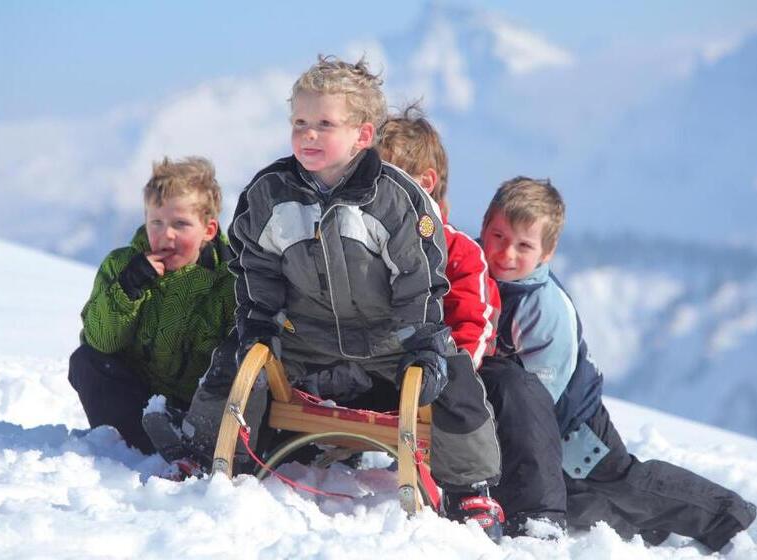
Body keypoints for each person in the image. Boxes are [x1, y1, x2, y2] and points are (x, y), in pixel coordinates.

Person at [157, 56, 504, 540]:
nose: (308, 135)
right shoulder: (270, 193)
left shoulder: (397, 200)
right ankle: (204, 453)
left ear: (363, 135)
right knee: (237, 362)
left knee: (455, 378)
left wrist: (422, 341)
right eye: (300, 123)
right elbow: (256, 265)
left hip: (389, 340)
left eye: (324, 124)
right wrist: (259, 324)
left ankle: (470, 487)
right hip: (307, 338)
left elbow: (418, 277)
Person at [478, 176, 757, 550]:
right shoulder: (477, 274)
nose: (506, 253)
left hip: (575, 429)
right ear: (483, 226)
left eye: (523, 245)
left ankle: (730, 517)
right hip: (539, 433)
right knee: (582, 502)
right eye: (498, 236)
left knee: (628, 486)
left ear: (548, 251)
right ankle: (647, 529)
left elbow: (539, 400)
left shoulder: (543, 307)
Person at [376, 105, 508, 533]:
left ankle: (470, 486)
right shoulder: (365, 247)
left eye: (385, 182)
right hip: (373, 365)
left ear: (424, 184)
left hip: (433, 374)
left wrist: (457, 360)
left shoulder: (457, 250)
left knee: (457, 373)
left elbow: (475, 320)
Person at [68, 156, 235, 454]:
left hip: (197, 406)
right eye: (156, 222)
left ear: (208, 231)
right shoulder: (121, 265)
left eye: (180, 224)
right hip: (137, 401)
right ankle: (137, 443)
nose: (165, 234)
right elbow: (100, 341)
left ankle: (196, 444)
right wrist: (128, 289)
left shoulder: (228, 280)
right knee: (87, 361)